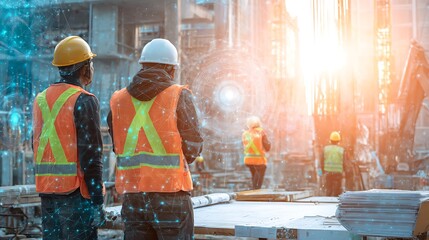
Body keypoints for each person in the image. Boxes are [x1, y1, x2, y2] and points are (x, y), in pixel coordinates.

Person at [107, 38, 203, 240]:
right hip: (171, 194)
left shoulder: (118, 100)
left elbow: (117, 145)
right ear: (171, 69)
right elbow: (194, 146)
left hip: (134, 198)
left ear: (142, 66)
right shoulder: (178, 95)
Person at [32, 36, 105, 240]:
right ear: (84, 68)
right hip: (76, 197)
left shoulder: (40, 100)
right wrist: (98, 200)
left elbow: (36, 145)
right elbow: (91, 156)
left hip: (47, 196)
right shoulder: (84, 100)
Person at [242, 116, 271, 190]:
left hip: (248, 160)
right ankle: (255, 191)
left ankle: (254, 190)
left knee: (254, 175)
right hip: (259, 160)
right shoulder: (261, 132)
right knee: (258, 177)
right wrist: (269, 144)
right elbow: (267, 147)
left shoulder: (245, 134)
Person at [319, 131, 345, 196]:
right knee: (337, 192)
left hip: (328, 173)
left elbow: (321, 161)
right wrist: (344, 171)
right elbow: (344, 162)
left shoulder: (325, 149)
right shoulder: (341, 150)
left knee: (328, 190)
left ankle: (327, 203)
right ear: (339, 141)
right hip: (338, 173)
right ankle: (336, 204)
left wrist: (322, 171)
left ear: (330, 140)